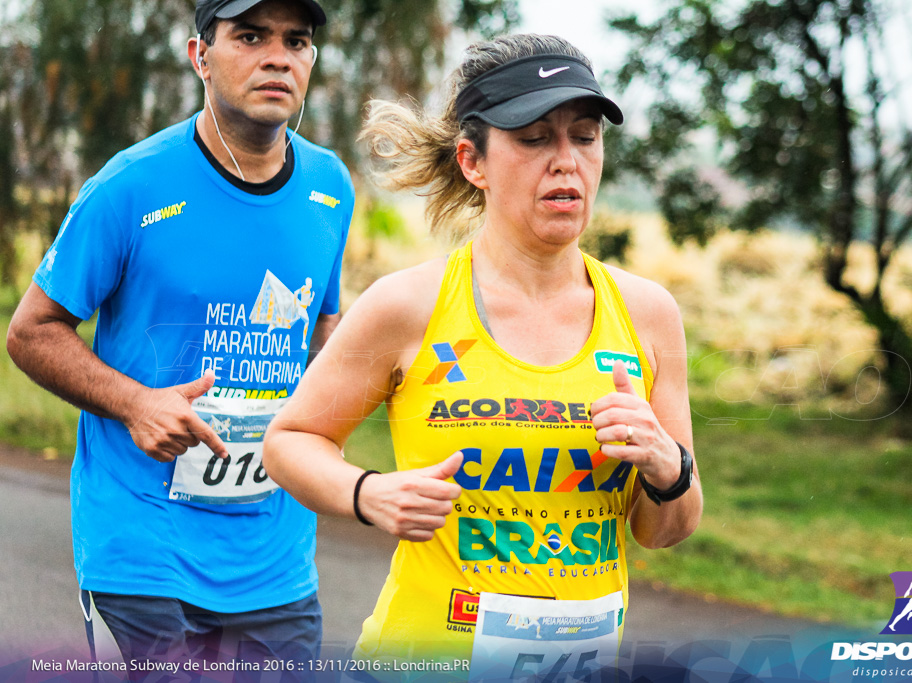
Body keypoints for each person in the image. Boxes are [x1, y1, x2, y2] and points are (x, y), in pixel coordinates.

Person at [263, 33, 702, 678]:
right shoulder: (408, 306)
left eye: (584, 136)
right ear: (474, 161)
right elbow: (289, 441)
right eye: (533, 139)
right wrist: (368, 493)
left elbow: (665, 529)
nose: (566, 162)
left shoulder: (647, 313)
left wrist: (668, 467)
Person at [5, 0, 352, 677]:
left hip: (276, 558)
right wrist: (137, 402)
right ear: (200, 56)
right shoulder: (133, 185)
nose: (279, 56)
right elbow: (30, 331)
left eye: (297, 40)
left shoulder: (330, 188)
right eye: (250, 37)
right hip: (144, 547)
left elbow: (325, 329)